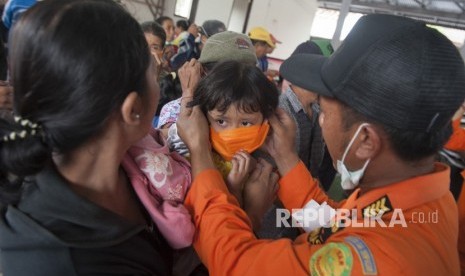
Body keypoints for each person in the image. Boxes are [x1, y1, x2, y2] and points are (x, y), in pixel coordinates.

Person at [176, 14, 465, 275]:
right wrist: (286, 158)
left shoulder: (378, 259)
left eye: (324, 111)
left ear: (365, 140)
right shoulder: (425, 201)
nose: (320, 121)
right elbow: (333, 222)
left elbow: (237, 264)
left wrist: (200, 152)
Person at [0, 0, 178, 274]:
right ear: (133, 109)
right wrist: (247, 214)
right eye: (154, 75)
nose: (159, 81)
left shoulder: (126, 163)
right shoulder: (73, 261)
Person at [184, 60, 279, 231]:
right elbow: (209, 229)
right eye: (221, 121)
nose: (232, 134)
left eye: (245, 123)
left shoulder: (266, 168)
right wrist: (233, 189)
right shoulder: (189, 163)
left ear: (266, 121)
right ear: (205, 117)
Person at [157, 31, 257, 131]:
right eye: (229, 75)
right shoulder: (175, 110)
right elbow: (179, 138)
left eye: (248, 73)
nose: (241, 81)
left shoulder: (257, 106)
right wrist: (189, 96)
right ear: (203, 71)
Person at [279, 41, 336, 191]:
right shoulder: (281, 111)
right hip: (283, 196)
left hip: (308, 192)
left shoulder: (317, 110)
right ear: (301, 79)